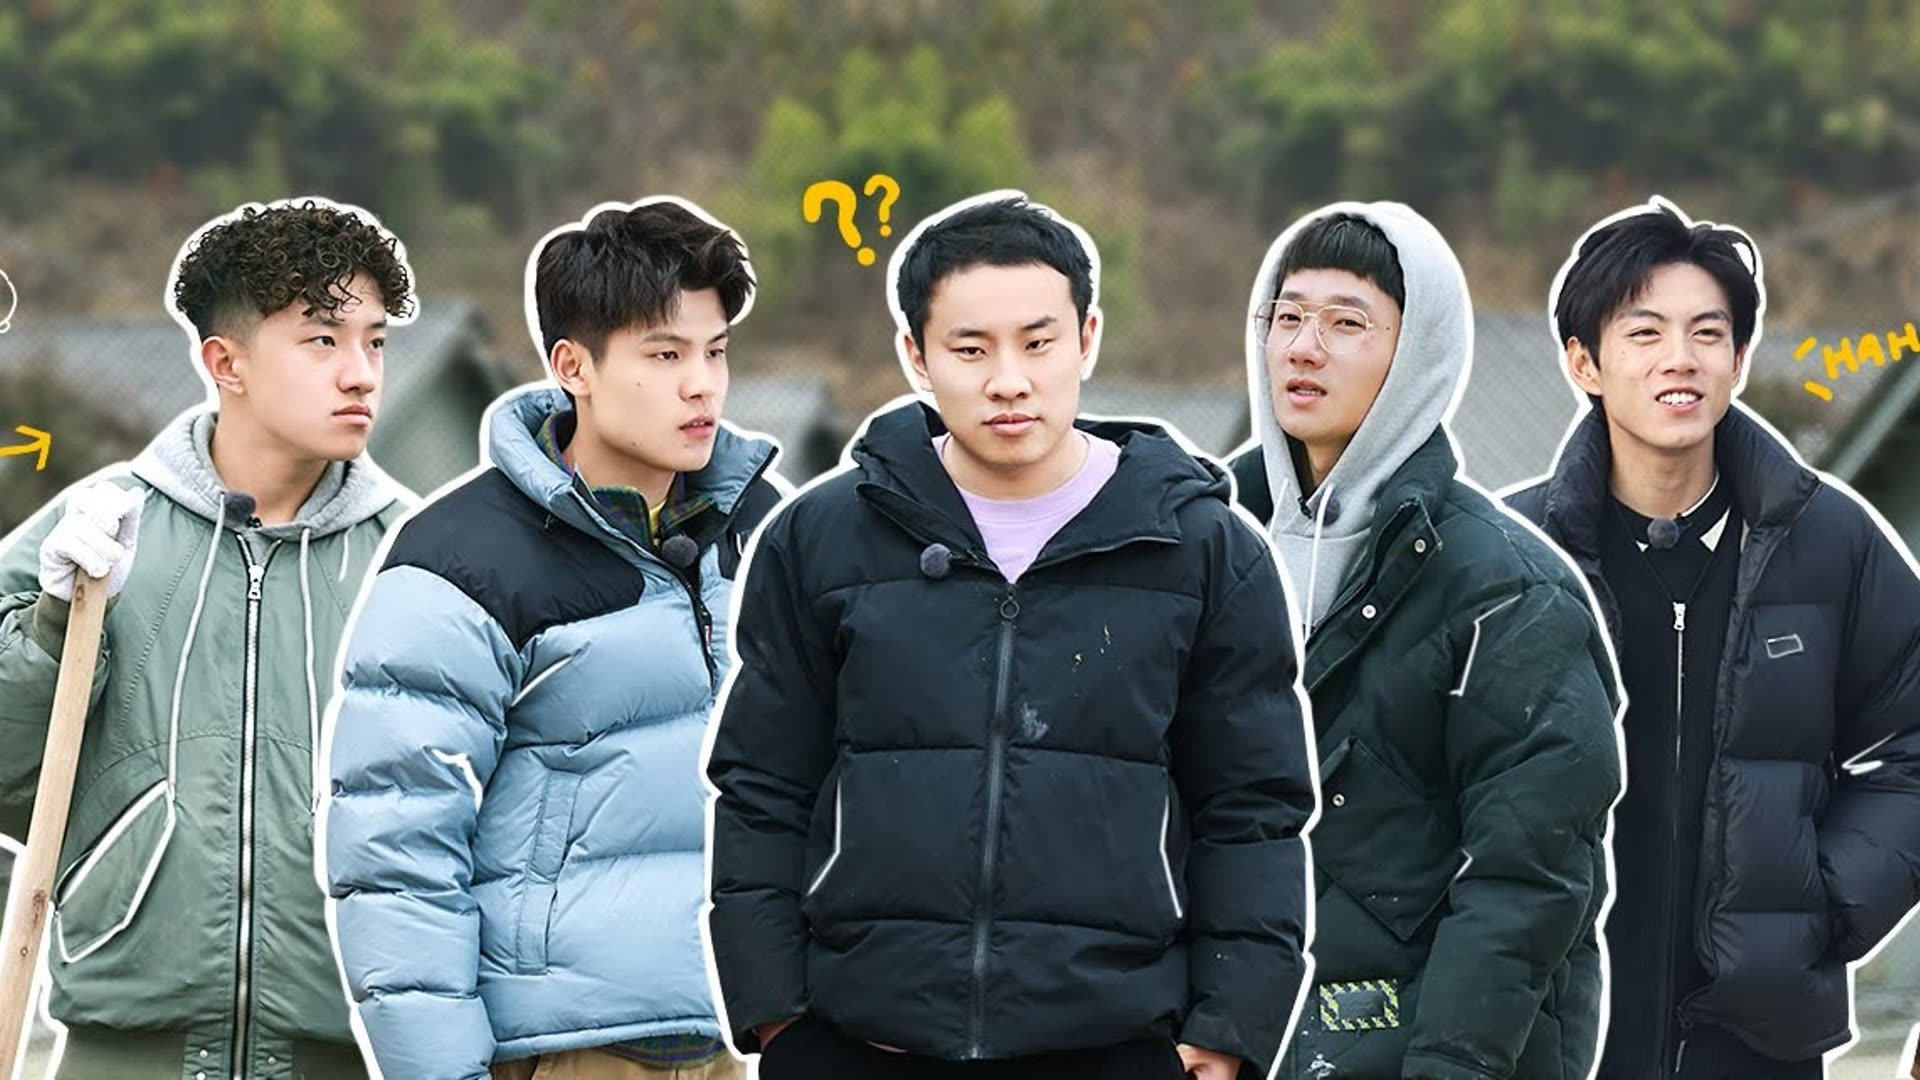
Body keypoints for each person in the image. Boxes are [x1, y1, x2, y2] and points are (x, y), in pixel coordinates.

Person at [705, 192, 1317, 1080]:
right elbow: (763, 787)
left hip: (1114, 1047)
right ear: (915, 356)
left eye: (1038, 343)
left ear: (1087, 339)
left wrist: (1232, 1025)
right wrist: (774, 1015)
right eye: (970, 349)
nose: (1008, 380)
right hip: (856, 1040)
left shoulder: (1204, 550)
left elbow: (1252, 808)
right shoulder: (820, 539)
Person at [323, 197, 782, 1080]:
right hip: (570, 1053)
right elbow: (396, 851)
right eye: (665, 355)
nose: (702, 384)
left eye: (716, 351)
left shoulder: (767, 529)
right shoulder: (462, 560)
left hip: (746, 1039)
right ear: (574, 366)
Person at [1503, 198, 1920, 1079]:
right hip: (1549, 1032)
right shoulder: (1512, 551)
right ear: (1584, 362)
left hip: (1758, 1043)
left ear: (1738, 358)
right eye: (1644, 332)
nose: (1680, 359)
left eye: (1708, 332)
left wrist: (1822, 906)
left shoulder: (1828, 540)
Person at [0, 198, 415, 1079]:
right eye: (322, 340)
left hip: (352, 1053)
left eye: (375, 342)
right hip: (123, 1051)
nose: (361, 375)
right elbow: (6, 773)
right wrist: (51, 626)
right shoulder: (96, 530)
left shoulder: (417, 559)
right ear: (226, 362)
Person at [1228, 202, 1623, 1080]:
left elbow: (1527, 881)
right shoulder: (1210, 547)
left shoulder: (1509, 590)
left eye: (1346, 323)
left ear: (1418, 354)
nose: (1303, 348)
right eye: (1287, 316)